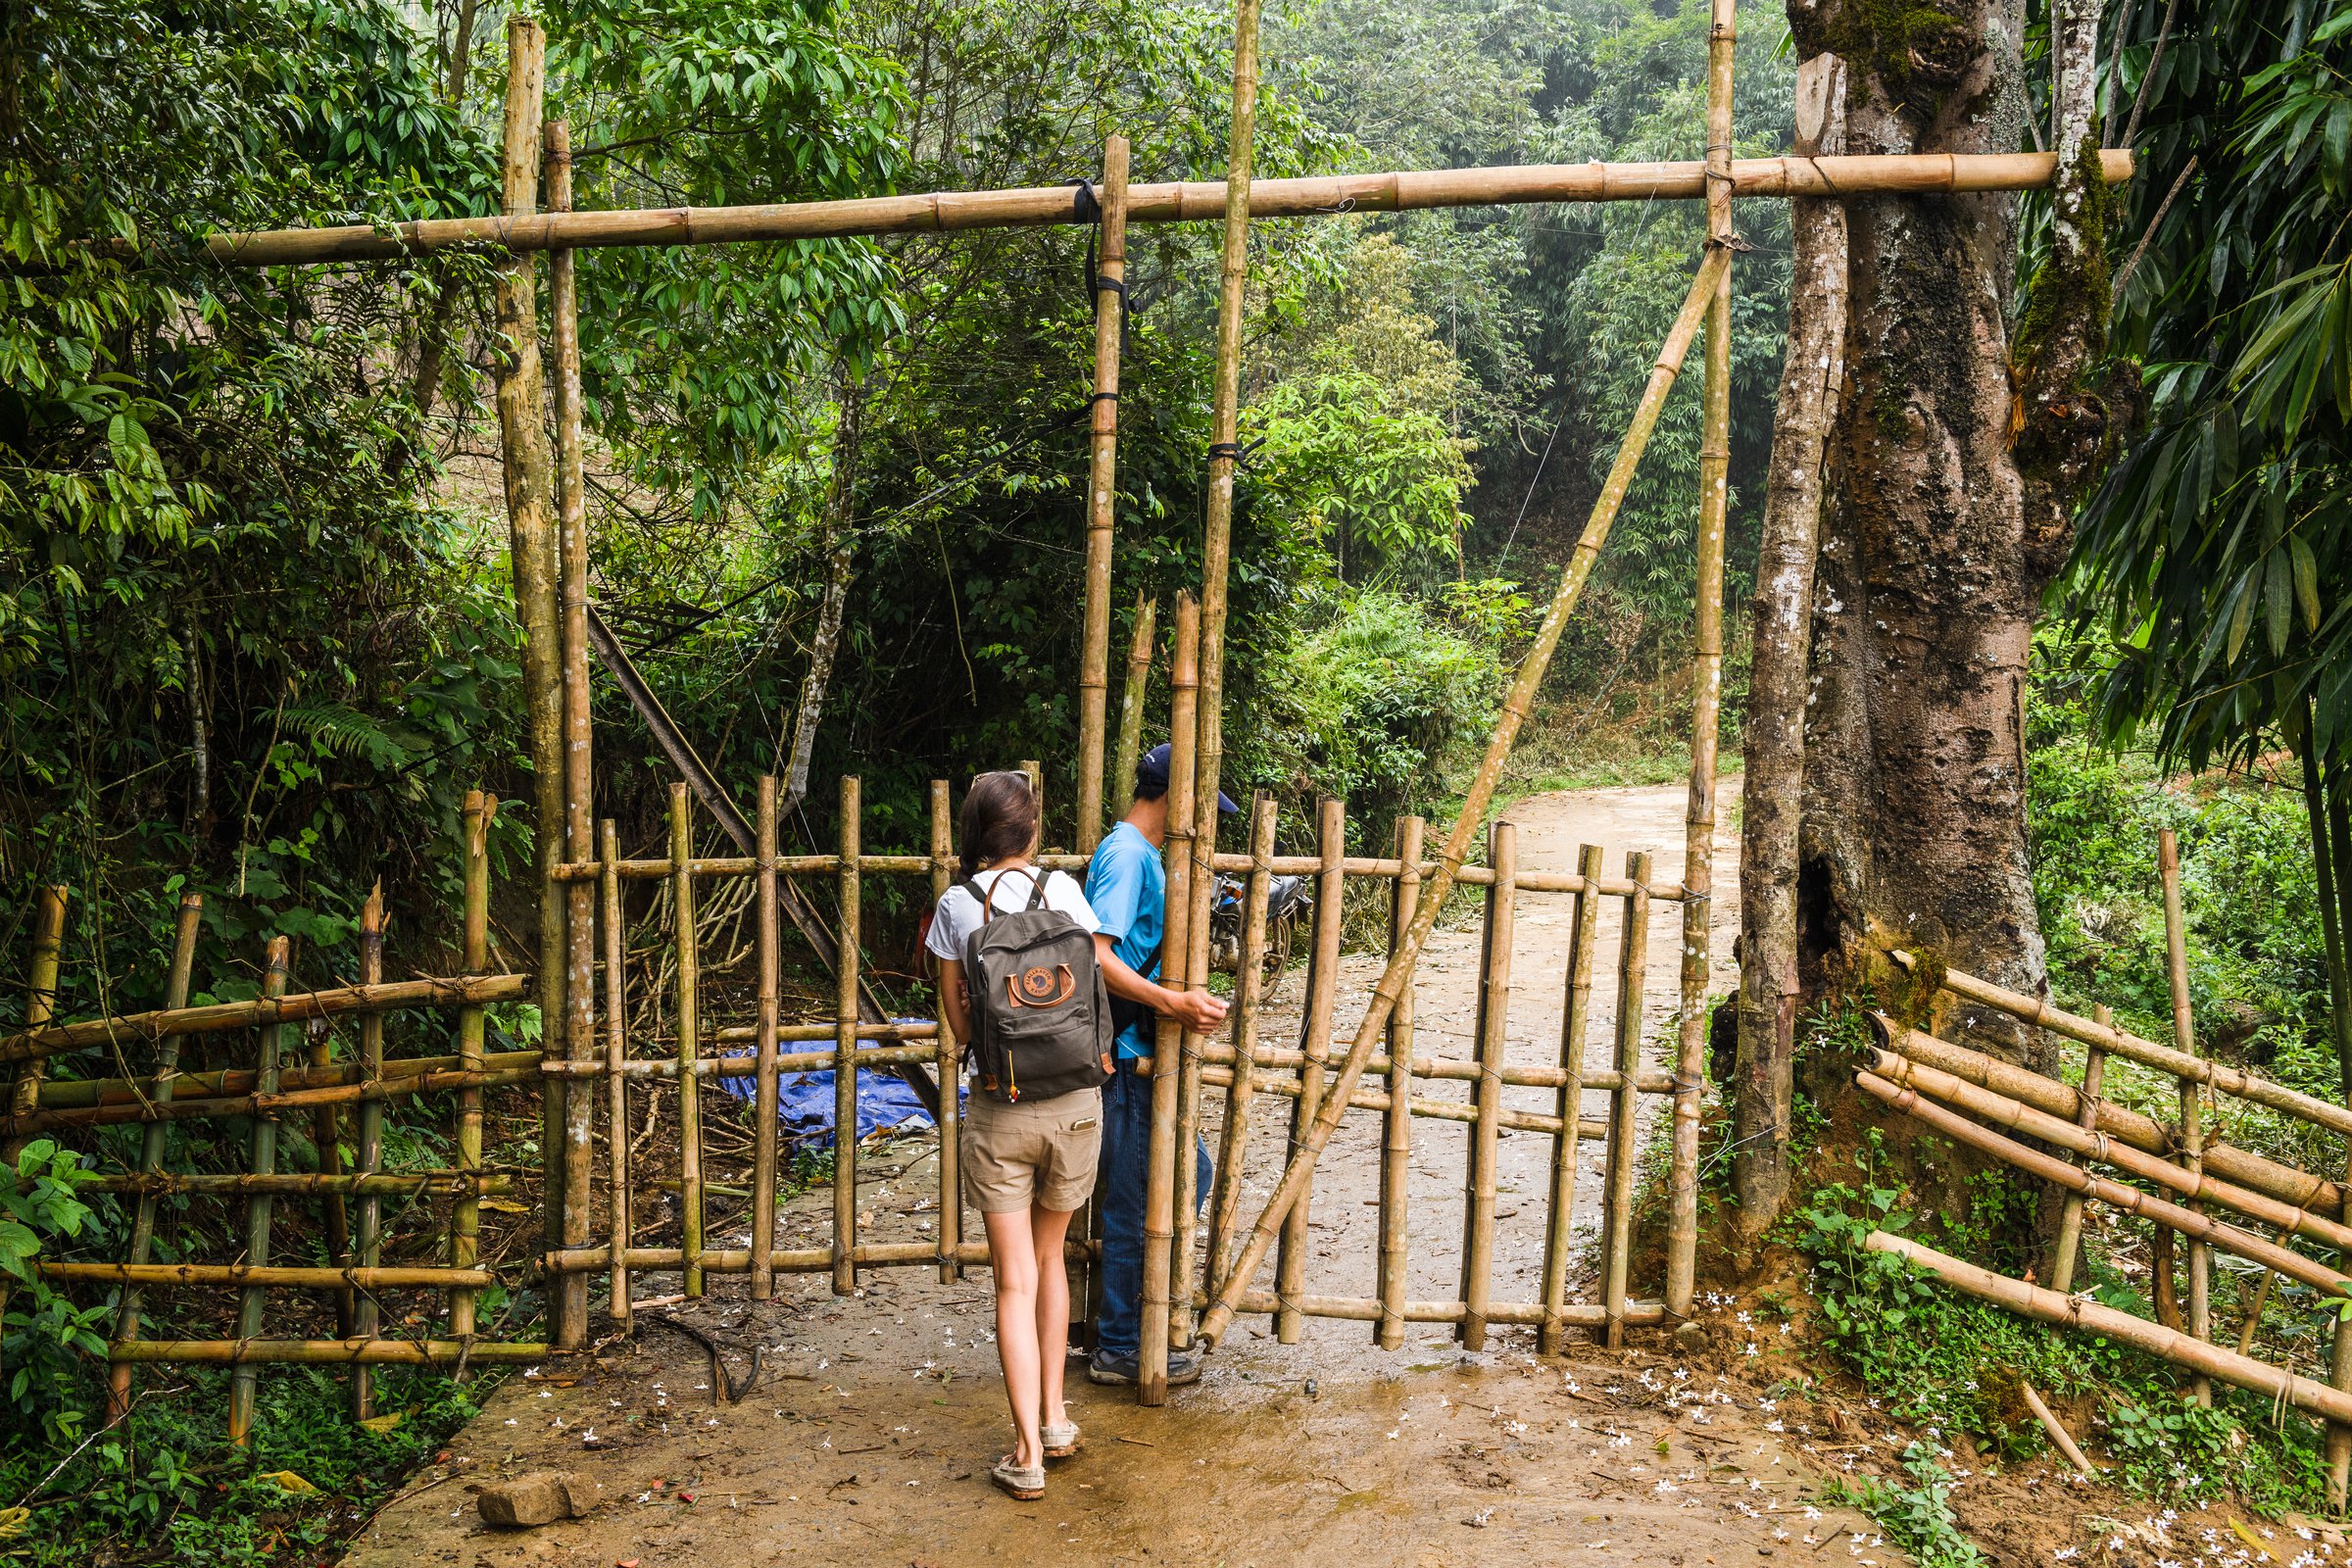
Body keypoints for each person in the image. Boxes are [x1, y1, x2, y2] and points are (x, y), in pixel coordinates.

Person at [927, 770, 1104, 1499]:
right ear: (1032, 831)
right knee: (1052, 1260)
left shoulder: (956, 905)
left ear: (975, 831)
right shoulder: (1063, 892)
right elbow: (1092, 983)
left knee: (1013, 1281)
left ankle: (1027, 1452)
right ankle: (1058, 1418)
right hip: (1076, 1102)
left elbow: (959, 1020)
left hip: (1003, 1107)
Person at [1083, 743, 1235, 1387]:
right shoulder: (1125, 855)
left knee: (1173, 1181)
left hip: (1145, 1055)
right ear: (1176, 796)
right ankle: (1119, 1342)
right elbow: (1096, 956)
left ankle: (1123, 1329)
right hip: (1127, 1057)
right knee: (1134, 1200)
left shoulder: (1143, 855)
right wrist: (1171, 1001)